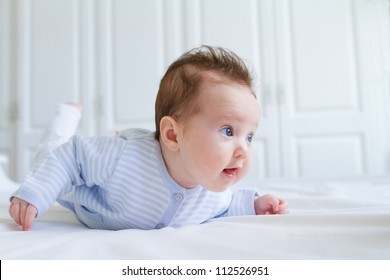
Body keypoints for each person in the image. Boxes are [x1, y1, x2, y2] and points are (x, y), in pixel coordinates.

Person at [9, 45, 288, 231]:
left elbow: (226, 206)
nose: (243, 150)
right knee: (51, 150)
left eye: (249, 136)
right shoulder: (125, 160)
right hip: (76, 184)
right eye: (228, 131)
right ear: (172, 135)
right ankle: (66, 115)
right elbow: (70, 158)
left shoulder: (211, 190)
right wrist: (36, 194)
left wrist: (254, 205)